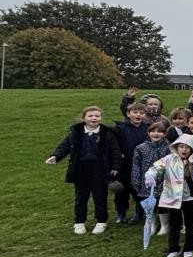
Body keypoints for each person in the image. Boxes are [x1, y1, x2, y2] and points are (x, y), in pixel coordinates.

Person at [46, 106, 122, 235]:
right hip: (80, 168)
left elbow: (115, 150)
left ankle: (101, 221)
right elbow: (65, 146)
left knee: (100, 196)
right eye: (90, 116)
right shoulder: (76, 132)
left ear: (101, 118)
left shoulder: (107, 133)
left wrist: (115, 167)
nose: (94, 118)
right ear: (84, 118)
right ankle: (79, 222)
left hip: (100, 169)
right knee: (81, 197)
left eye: (97, 116)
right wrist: (55, 156)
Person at [144, 134, 193, 257]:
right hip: (172, 198)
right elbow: (155, 167)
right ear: (176, 147)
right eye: (181, 147)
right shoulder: (169, 159)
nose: (184, 150)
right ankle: (173, 249)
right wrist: (150, 176)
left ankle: (189, 249)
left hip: (189, 198)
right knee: (174, 224)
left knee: (190, 225)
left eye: (187, 147)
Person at [131, 120, 172, 237]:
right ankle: (152, 224)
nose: (156, 134)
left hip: (164, 181)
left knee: (162, 204)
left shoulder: (169, 147)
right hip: (147, 181)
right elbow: (136, 165)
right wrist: (136, 180)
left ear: (164, 134)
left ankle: (165, 225)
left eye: (160, 132)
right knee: (150, 203)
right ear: (148, 133)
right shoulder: (141, 148)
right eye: (153, 131)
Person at [112, 101, 149, 225]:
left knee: (139, 190)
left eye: (141, 113)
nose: (138, 115)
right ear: (128, 114)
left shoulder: (147, 128)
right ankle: (121, 213)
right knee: (122, 191)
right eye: (135, 112)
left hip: (141, 165)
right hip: (124, 164)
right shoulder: (120, 128)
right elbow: (113, 145)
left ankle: (139, 213)